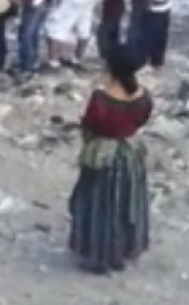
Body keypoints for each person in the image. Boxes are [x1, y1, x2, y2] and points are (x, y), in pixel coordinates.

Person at [68, 44, 151, 274]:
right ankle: (123, 250)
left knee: (99, 204)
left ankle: (99, 254)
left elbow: (91, 125)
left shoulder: (101, 98)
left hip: (103, 156)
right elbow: (141, 120)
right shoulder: (143, 96)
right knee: (126, 205)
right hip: (130, 154)